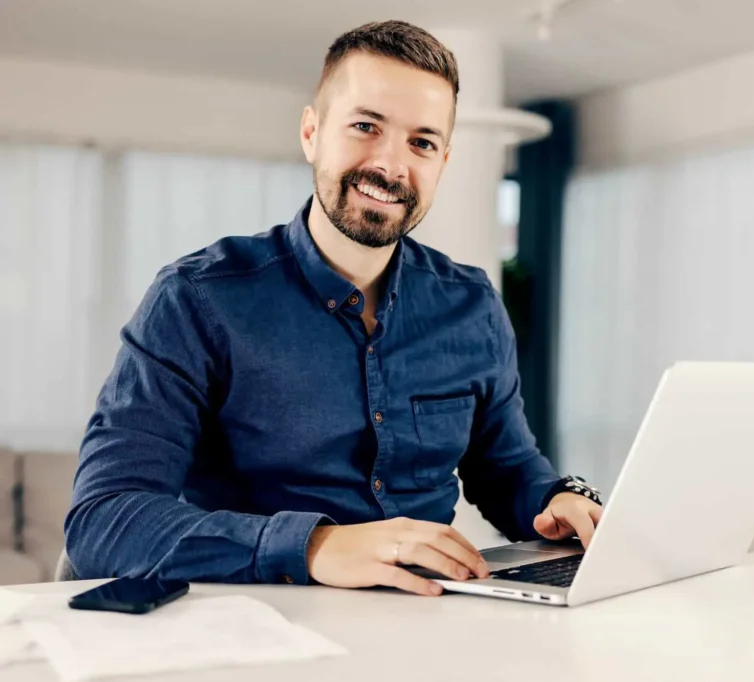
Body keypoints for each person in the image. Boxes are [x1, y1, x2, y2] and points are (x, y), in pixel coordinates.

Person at [63, 20, 603, 597]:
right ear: (311, 132)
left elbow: (507, 468)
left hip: (432, 622)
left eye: (420, 142)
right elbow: (103, 519)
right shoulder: (196, 299)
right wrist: (314, 546)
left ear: (442, 161)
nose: (391, 165)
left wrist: (555, 500)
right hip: (258, 630)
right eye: (366, 126)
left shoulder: (471, 304)